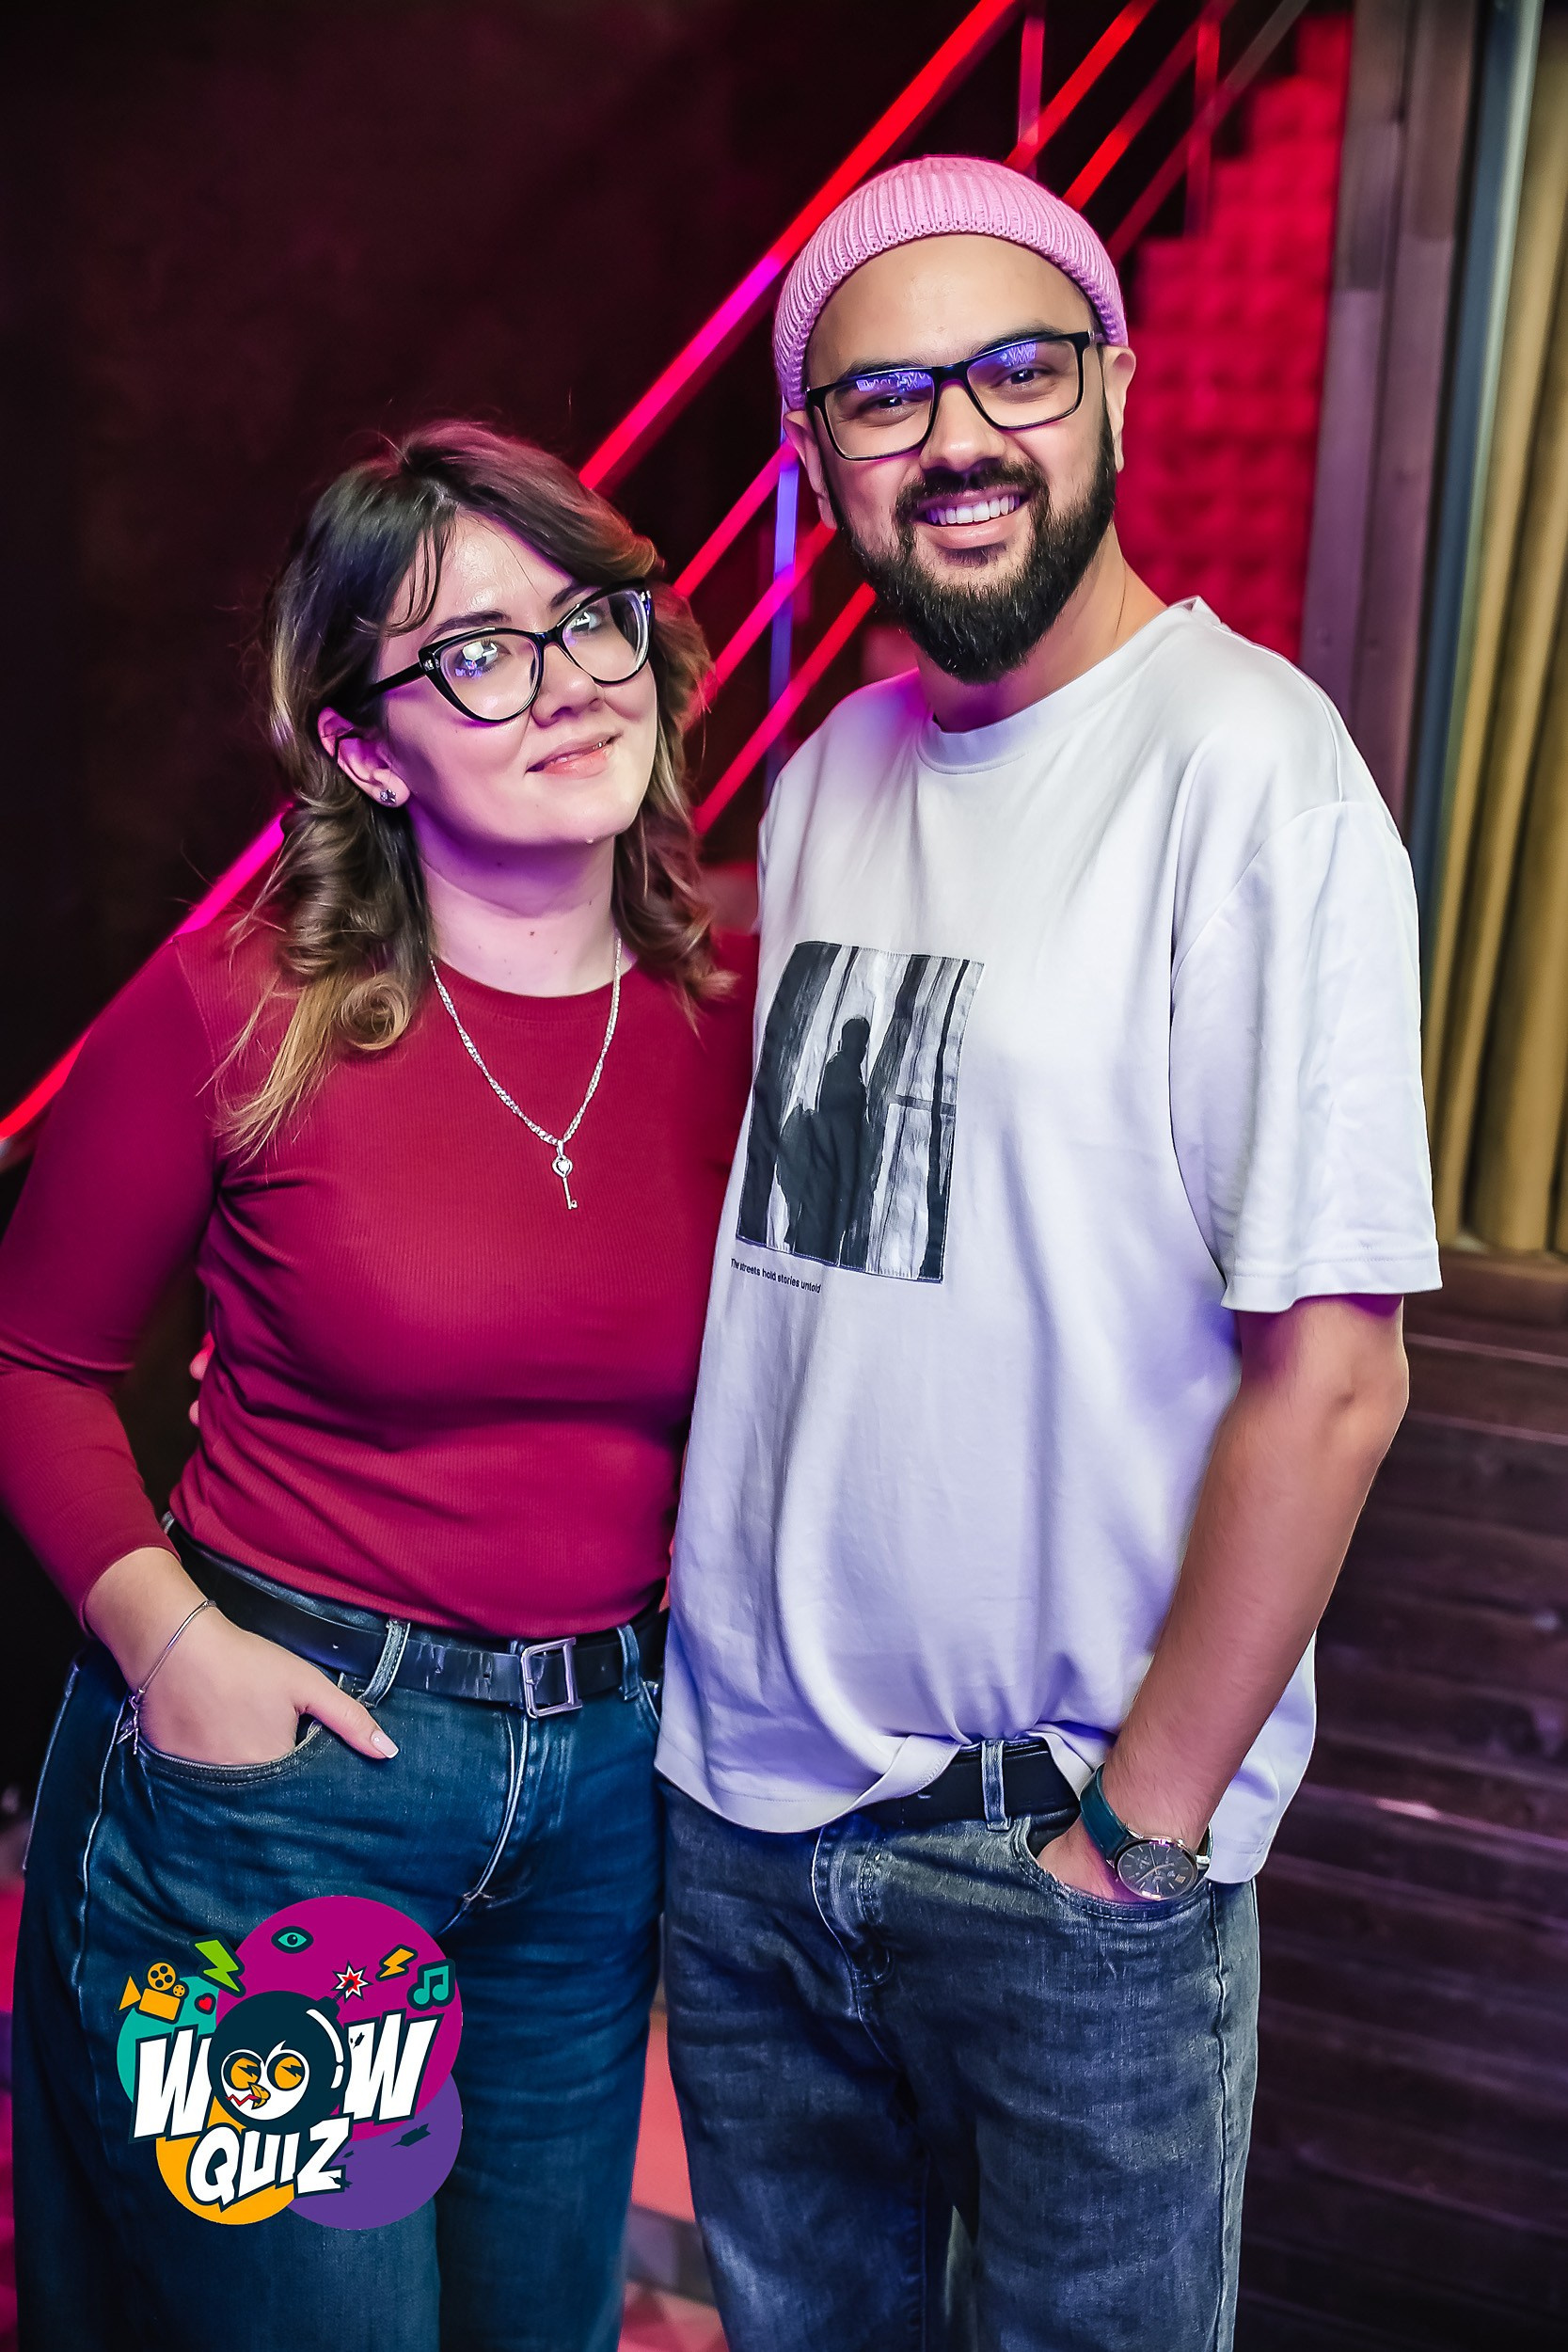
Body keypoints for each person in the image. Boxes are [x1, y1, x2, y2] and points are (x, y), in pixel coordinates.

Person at [656, 155, 1440, 2352]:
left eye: (1015, 368)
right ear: (818, 456)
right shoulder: (832, 774)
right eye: (885, 396)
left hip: (1057, 1863)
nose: (959, 437)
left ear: (1113, 384)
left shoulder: (1251, 773)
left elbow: (1337, 1374)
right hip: (752, 1824)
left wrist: (1138, 1837)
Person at [0, 421, 754, 2352]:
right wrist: (177, 1649)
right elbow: (31, 1359)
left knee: (536, 2327)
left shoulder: (733, 1004)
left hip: (598, 1794)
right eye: (475, 652)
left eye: (588, 619)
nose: (567, 680)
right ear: (363, 748)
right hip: (297, 1785)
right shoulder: (236, 1010)